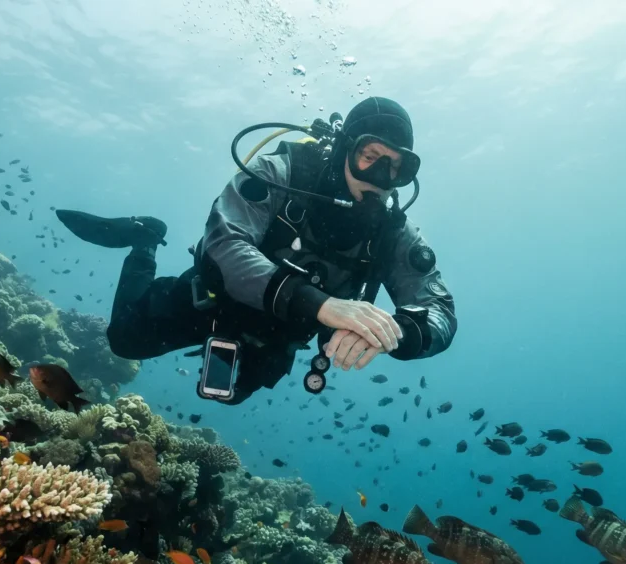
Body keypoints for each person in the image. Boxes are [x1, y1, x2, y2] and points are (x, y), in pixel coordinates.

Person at [57, 96, 456, 403]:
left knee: (234, 397)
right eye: (370, 157)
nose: (381, 178)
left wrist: (396, 332)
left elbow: (440, 312)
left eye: (396, 168)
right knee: (125, 340)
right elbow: (223, 244)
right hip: (214, 300)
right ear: (344, 149)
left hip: (276, 338)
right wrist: (321, 305)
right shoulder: (279, 175)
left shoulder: (393, 232)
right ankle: (145, 239)